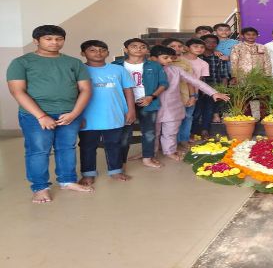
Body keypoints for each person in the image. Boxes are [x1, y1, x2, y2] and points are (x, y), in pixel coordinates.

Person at [6, 25, 94, 203]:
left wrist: (74, 113)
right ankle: (40, 187)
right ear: (36, 41)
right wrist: (41, 116)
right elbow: (17, 91)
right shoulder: (21, 62)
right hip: (34, 116)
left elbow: (85, 89)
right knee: (38, 151)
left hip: (69, 114)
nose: (54, 42)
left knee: (67, 148)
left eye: (59, 39)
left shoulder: (74, 63)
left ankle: (67, 181)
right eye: (49, 39)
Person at [150, 46, 229, 161]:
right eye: (166, 58)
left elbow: (195, 81)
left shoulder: (175, 70)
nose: (170, 60)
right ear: (153, 58)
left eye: (171, 58)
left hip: (173, 106)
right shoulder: (146, 70)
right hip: (152, 106)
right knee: (153, 132)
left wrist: (213, 93)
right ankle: (151, 154)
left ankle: (169, 151)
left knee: (171, 132)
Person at [77, 40, 136, 186]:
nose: (98, 53)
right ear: (83, 53)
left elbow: (128, 90)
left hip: (114, 115)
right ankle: (88, 173)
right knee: (87, 146)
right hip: (88, 117)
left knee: (114, 144)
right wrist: (77, 115)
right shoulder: (78, 70)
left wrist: (131, 110)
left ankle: (116, 170)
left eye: (102, 50)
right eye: (92, 50)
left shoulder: (118, 70)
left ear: (108, 53)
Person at [112, 38, 168, 169]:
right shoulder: (116, 65)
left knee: (149, 132)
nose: (138, 49)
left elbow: (164, 83)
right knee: (125, 134)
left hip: (148, 103)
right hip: (124, 104)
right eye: (134, 46)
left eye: (142, 47)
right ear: (126, 49)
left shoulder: (154, 65)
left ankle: (147, 158)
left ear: (147, 50)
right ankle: (121, 162)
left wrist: (151, 97)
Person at [196, 35, 230, 136]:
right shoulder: (197, 57)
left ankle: (205, 129)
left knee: (209, 107)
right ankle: (195, 131)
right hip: (197, 87)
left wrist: (223, 88)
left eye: (214, 42)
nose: (211, 44)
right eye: (208, 42)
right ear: (202, 43)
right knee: (197, 110)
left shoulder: (219, 56)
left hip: (215, 86)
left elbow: (224, 74)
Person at [179, 39, 210, 149]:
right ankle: (172, 141)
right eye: (195, 46)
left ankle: (184, 139)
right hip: (176, 93)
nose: (199, 49)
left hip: (193, 93)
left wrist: (196, 94)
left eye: (202, 47)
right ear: (187, 48)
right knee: (175, 117)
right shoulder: (177, 60)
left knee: (188, 116)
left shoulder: (203, 63)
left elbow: (199, 81)